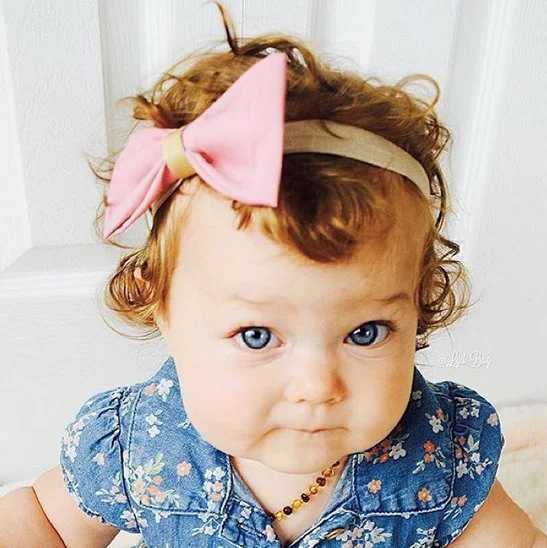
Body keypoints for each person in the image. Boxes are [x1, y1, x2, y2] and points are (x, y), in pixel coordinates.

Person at [1, 2, 545, 547]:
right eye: (257, 336)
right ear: (161, 308)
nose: (317, 387)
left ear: (418, 308)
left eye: (366, 332)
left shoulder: (437, 458)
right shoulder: (143, 444)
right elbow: (42, 523)